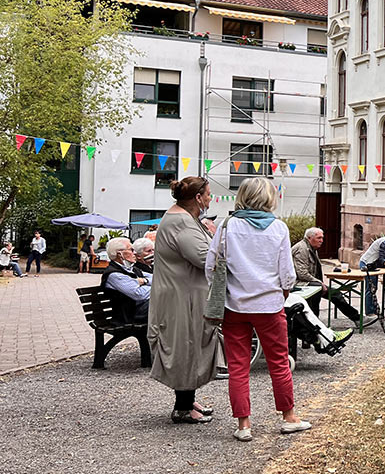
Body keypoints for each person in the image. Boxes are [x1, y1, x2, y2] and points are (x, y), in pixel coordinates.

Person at [205, 177, 310, 442]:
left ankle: (244, 424)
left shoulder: (226, 226)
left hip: (234, 307)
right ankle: (288, 417)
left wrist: (225, 291)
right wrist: (283, 291)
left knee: (238, 366)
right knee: (279, 362)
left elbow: (211, 267)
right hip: (269, 305)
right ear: (269, 198)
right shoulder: (278, 228)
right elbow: (287, 273)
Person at [150, 177, 221, 425]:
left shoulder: (182, 218)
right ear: (198, 198)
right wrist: (216, 241)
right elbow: (204, 258)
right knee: (185, 344)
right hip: (181, 296)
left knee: (190, 344)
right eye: (209, 194)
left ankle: (188, 400)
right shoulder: (181, 221)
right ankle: (182, 407)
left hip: (184, 292)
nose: (211, 199)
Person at [292, 227, 366, 326]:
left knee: (335, 294)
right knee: (318, 294)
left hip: (311, 283)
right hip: (299, 284)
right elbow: (302, 274)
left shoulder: (312, 247)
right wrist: (319, 283)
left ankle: (357, 319)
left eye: (322, 238)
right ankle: (314, 325)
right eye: (319, 238)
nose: (321, 241)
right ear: (309, 238)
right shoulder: (302, 249)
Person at [102, 237, 152, 322]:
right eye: (131, 250)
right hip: (128, 315)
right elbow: (139, 294)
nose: (135, 253)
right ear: (119, 254)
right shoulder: (114, 274)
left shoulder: (132, 269)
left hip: (140, 309)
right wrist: (160, 289)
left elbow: (155, 278)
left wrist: (144, 281)